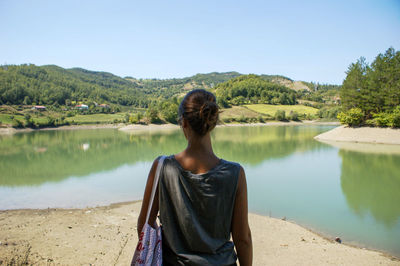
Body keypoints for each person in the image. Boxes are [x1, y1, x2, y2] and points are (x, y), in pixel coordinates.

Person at [137, 89, 253, 266]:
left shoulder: (162, 167)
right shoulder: (235, 173)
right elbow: (242, 239)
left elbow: (144, 226)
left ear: (183, 122)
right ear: (213, 122)